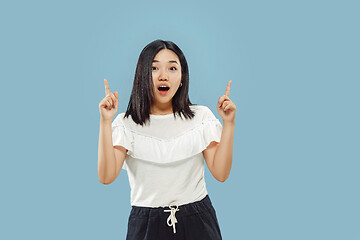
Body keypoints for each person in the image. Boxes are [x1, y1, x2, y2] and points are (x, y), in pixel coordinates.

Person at [98, 39, 236, 240]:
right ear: (142, 76)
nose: (163, 76)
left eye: (172, 68)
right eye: (154, 68)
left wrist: (229, 124)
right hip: (146, 223)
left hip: (198, 220)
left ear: (182, 77)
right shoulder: (126, 124)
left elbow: (221, 173)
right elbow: (106, 176)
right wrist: (105, 122)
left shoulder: (201, 117)